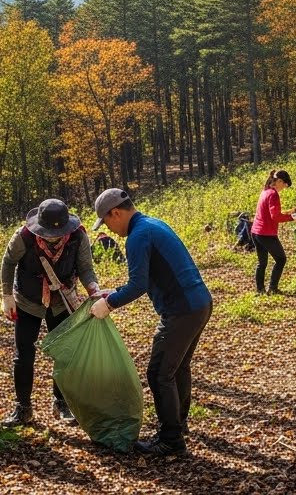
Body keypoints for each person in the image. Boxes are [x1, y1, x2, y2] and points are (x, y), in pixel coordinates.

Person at [89, 188, 213, 456]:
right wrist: (112, 293)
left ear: (116, 213)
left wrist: (108, 305)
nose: (108, 229)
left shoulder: (137, 236)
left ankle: (171, 440)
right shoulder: (152, 223)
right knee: (177, 368)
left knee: (158, 373)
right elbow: (146, 276)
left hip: (182, 310)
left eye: (107, 222)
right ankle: (178, 424)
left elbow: (138, 285)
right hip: (199, 303)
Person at [0, 198, 100, 427]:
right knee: (23, 354)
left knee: (64, 352)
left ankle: (61, 402)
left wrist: (94, 289)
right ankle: (23, 407)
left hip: (62, 300)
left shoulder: (78, 237)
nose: (52, 237)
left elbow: (85, 269)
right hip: (27, 300)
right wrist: (6, 297)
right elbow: (8, 263)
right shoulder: (23, 237)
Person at [251, 171, 296, 295]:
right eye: (284, 185)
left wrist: (290, 211)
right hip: (266, 234)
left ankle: (260, 290)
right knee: (281, 259)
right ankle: (273, 288)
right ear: (279, 181)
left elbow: (273, 213)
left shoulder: (265, 191)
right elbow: (275, 217)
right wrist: (292, 218)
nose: (284, 188)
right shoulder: (273, 194)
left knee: (262, 263)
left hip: (256, 232)